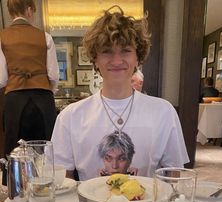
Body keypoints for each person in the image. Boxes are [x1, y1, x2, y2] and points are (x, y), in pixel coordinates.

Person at [51, 5, 189, 181]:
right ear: (95, 59)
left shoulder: (163, 111)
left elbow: (173, 175)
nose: (116, 60)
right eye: (107, 51)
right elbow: (63, 180)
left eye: (125, 50)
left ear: (137, 57)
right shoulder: (69, 116)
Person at [0, 0, 59, 185]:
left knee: (14, 148)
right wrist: (46, 89)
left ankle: (14, 189)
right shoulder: (45, 37)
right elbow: (53, 74)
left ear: (10, 13)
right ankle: (47, 185)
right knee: (46, 147)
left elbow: (1, 78)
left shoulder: (2, 37)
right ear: (30, 10)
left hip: (14, 99)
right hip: (43, 98)